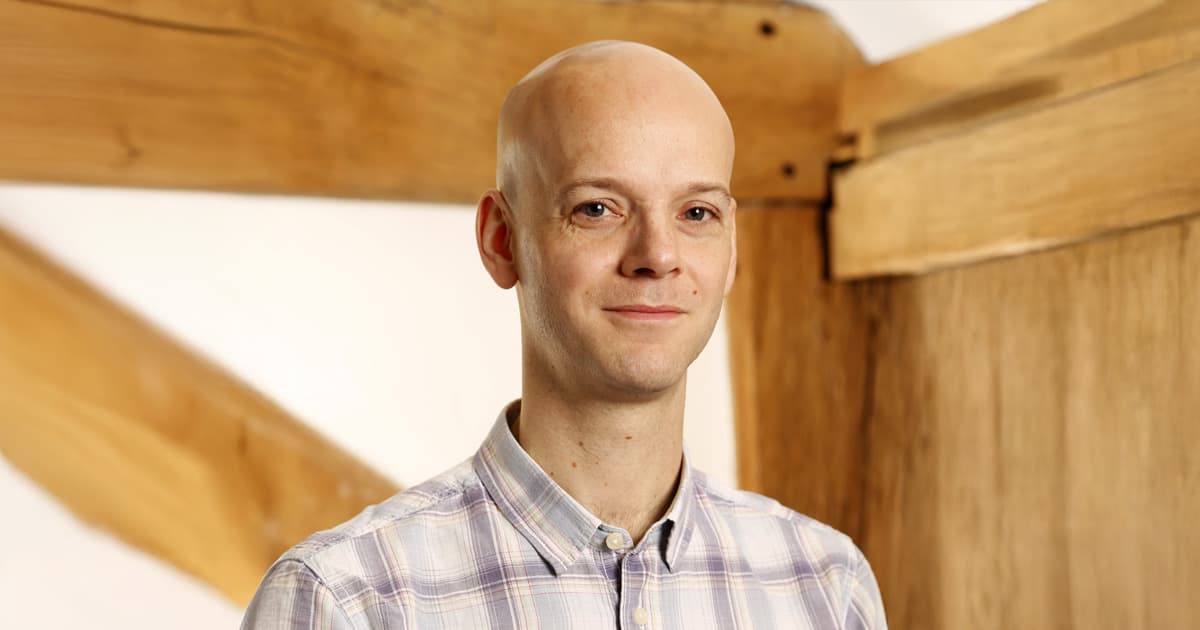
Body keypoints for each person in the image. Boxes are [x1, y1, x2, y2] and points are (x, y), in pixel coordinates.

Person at [241, 40, 886, 629]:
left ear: (732, 248)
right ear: (502, 242)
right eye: (597, 209)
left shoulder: (824, 587)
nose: (657, 255)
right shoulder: (347, 601)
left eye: (697, 213)